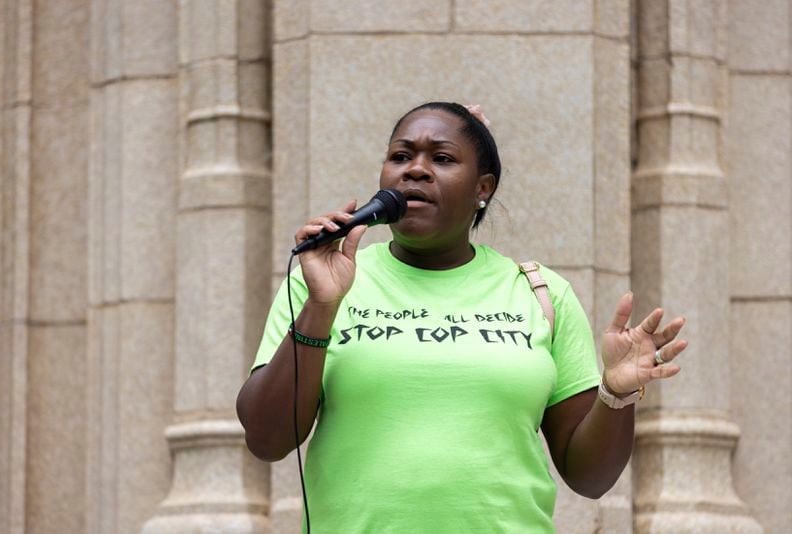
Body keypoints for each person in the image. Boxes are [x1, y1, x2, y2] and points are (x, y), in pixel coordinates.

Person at [236, 102, 687, 532]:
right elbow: (267, 439)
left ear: (482, 188)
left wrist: (616, 394)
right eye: (401, 155)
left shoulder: (538, 292)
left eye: (443, 158)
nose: (415, 168)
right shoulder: (320, 285)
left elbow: (590, 479)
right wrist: (320, 308)